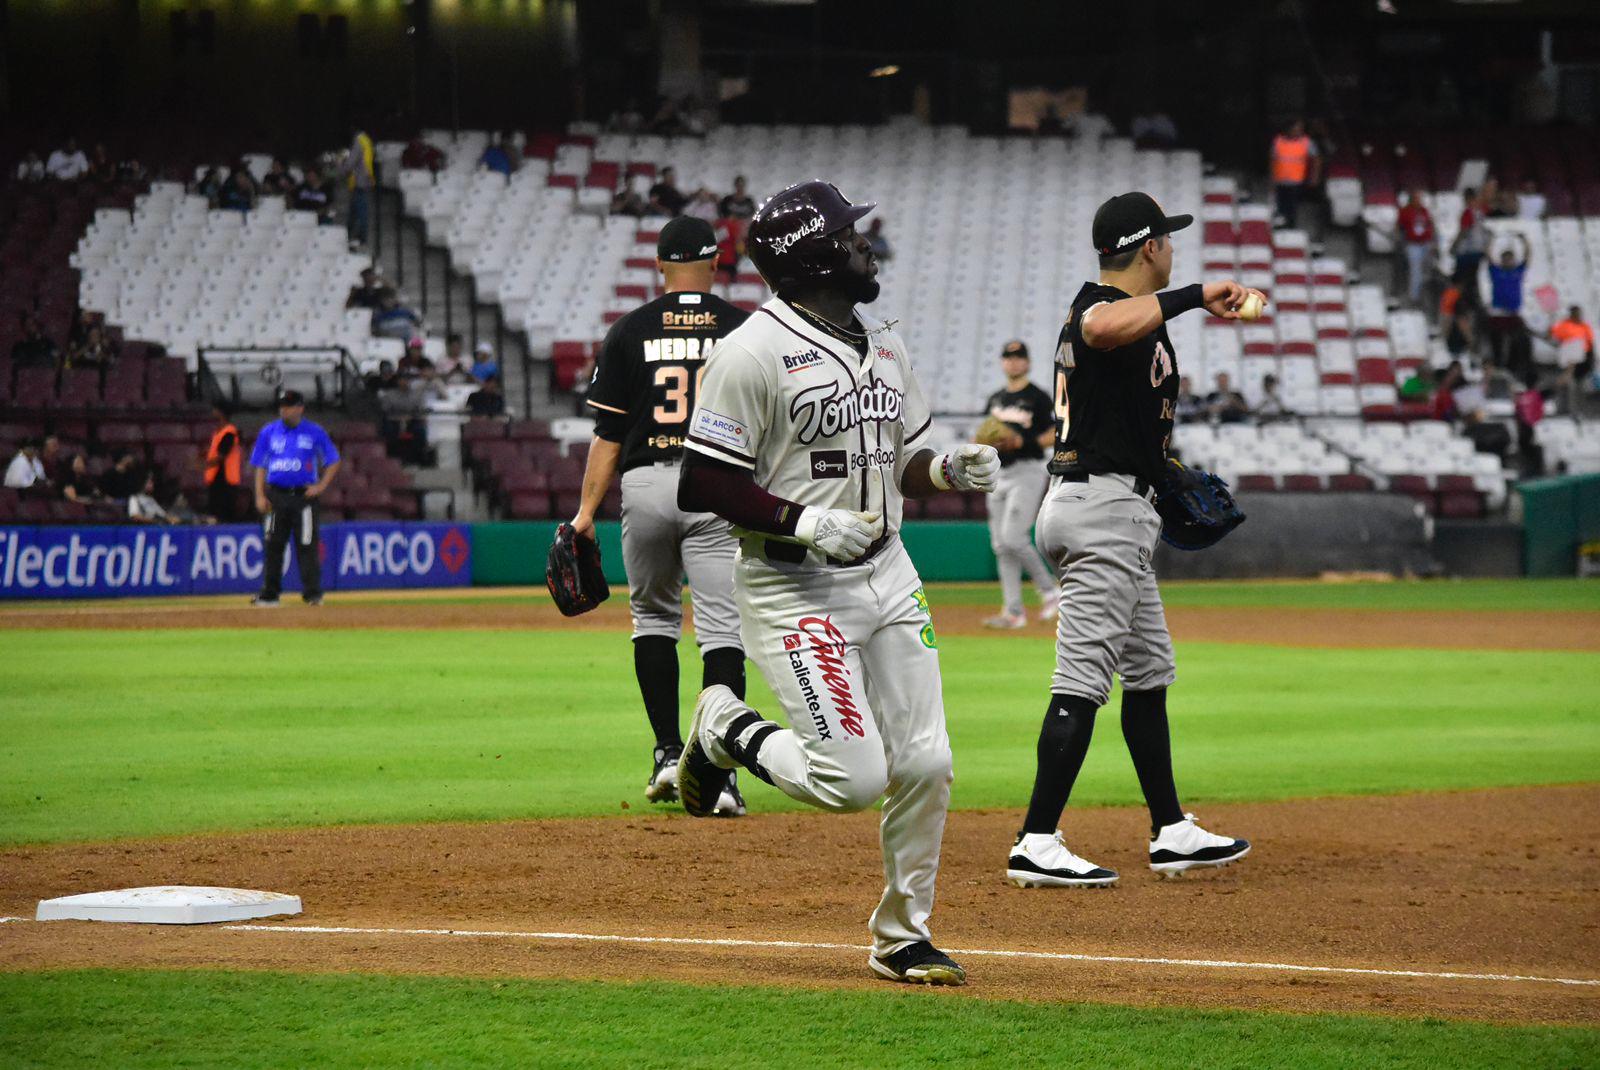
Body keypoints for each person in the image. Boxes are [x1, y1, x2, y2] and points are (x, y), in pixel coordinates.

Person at [675, 180, 1000, 987]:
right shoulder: (749, 351)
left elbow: (906, 465)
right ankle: (724, 724)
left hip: (890, 572)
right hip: (795, 587)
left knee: (927, 762)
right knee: (851, 780)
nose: (867, 244)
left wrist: (948, 468)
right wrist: (804, 522)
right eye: (853, 235)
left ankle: (902, 936)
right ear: (813, 254)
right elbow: (703, 482)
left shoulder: (885, 341)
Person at [1007, 191, 1253, 892]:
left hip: (1116, 503)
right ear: (1150, 248)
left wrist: (1163, 471)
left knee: (1149, 671)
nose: (1173, 248)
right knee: (1082, 682)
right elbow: (1101, 326)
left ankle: (1171, 829)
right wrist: (1199, 295)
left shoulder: (1139, 321)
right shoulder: (1101, 305)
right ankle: (1036, 839)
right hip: (1099, 509)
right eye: (1167, 240)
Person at [571, 217, 753, 814]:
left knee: (652, 619)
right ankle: (720, 775)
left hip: (646, 481)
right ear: (716, 262)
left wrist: (583, 516)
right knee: (722, 631)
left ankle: (667, 753)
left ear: (658, 266)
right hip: (718, 485)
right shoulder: (743, 328)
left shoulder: (629, 330)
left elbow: (608, 434)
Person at [979, 340, 1060, 630]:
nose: (1013, 362)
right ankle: (1013, 612)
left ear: (1027, 362)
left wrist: (1022, 441)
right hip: (999, 473)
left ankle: (1050, 591)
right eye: (1008, 357)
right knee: (1001, 545)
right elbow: (984, 435)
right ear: (1002, 362)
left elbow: (1055, 431)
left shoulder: (1037, 397)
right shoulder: (995, 399)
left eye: (1018, 357)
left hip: (1027, 470)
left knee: (1013, 537)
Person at [249, 390, 340, 607]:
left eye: (289, 405)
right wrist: (260, 495)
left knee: (307, 544)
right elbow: (260, 465)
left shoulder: (314, 432)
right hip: (276, 495)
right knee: (273, 544)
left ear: (300, 408)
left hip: (303, 497)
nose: (284, 409)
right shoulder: (269, 432)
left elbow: (333, 460)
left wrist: (321, 486)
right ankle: (270, 594)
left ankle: (313, 594)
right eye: (282, 405)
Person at [1486, 234, 1531, 369]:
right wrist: (1492, 240)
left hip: (1513, 313)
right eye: (1505, 259)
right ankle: (1498, 364)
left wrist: (1524, 241)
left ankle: (1514, 366)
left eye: (1510, 259)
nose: (1508, 262)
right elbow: (1488, 256)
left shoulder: (1518, 271)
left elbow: (1528, 256)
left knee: (1517, 341)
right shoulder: (1496, 271)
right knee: (1497, 341)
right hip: (1498, 313)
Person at [1269, 119, 1318, 229]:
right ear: (1288, 129)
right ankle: (1281, 229)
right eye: (1295, 129)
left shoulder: (1307, 142)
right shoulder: (1278, 141)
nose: (1298, 131)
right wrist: (1272, 179)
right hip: (1280, 181)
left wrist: (1314, 177)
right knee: (1280, 207)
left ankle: (1291, 228)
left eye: (1300, 129)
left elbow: (1316, 159)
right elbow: (1272, 161)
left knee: (1292, 208)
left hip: (1296, 182)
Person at [205, 402, 243, 522]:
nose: (213, 412)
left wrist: (201, 465)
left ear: (221, 413)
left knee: (224, 516)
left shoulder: (229, 433)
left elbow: (221, 456)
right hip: (216, 480)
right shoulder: (218, 433)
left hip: (226, 481)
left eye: (215, 409)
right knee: (215, 514)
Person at [1397, 188, 1435, 305]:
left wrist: (1432, 240)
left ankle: (1424, 294)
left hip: (1425, 243)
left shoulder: (1424, 211)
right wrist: (1401, 241)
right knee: (1415, 270)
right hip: (1413, 244)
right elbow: (1399, 227)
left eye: (1421, 198)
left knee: (1427, 270)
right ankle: (1414, 297)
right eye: (1417, 198)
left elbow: (1430, 224)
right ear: (1412, 200)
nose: (1420, 201)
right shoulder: (1405, 211)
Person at [1452, 187, 1489, 298]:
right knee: (1473, 278)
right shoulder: (1480, 212)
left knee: (1460, 279)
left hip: (1467, 252)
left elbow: (1464, 231)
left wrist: (1454, 246)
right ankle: (1474, 299)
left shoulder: (1468, 213)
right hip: (1479, 250)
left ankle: (1462, 300)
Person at [345, 128, 376, 248]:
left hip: (359, 181)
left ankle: (361, 237)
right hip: (365, 179)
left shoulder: (358, 142)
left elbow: (351, 162)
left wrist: (342, 169)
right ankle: (348, 233)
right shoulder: (367, 141)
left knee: (361, 210)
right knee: (354, 209)